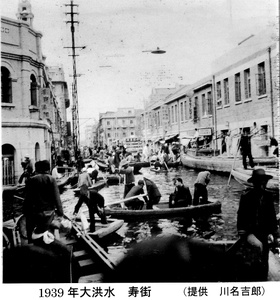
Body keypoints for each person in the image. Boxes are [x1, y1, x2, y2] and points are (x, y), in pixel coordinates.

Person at [237, 168, 280, 281]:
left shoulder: (268, 196)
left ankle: (263, 279)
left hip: (264, 233)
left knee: (264, 258)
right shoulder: (246, 197)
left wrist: (274, 233)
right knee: (256, 253)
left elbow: (272, 216)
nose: (263, 184)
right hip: (250, 233)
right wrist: (242, 232)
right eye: (261, 182)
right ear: (256, 183)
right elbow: (240, 217)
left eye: (264, 182)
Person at [23, 160, 64, 244]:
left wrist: (25, 213)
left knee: (30, 230)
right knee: (51, 231)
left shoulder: (31, 180)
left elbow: (27, 200)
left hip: (34, 214)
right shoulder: (51, 180)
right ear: (47, 169)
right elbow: (57, 199)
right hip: (48, 214)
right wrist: (60, 213)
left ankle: (31, 244)